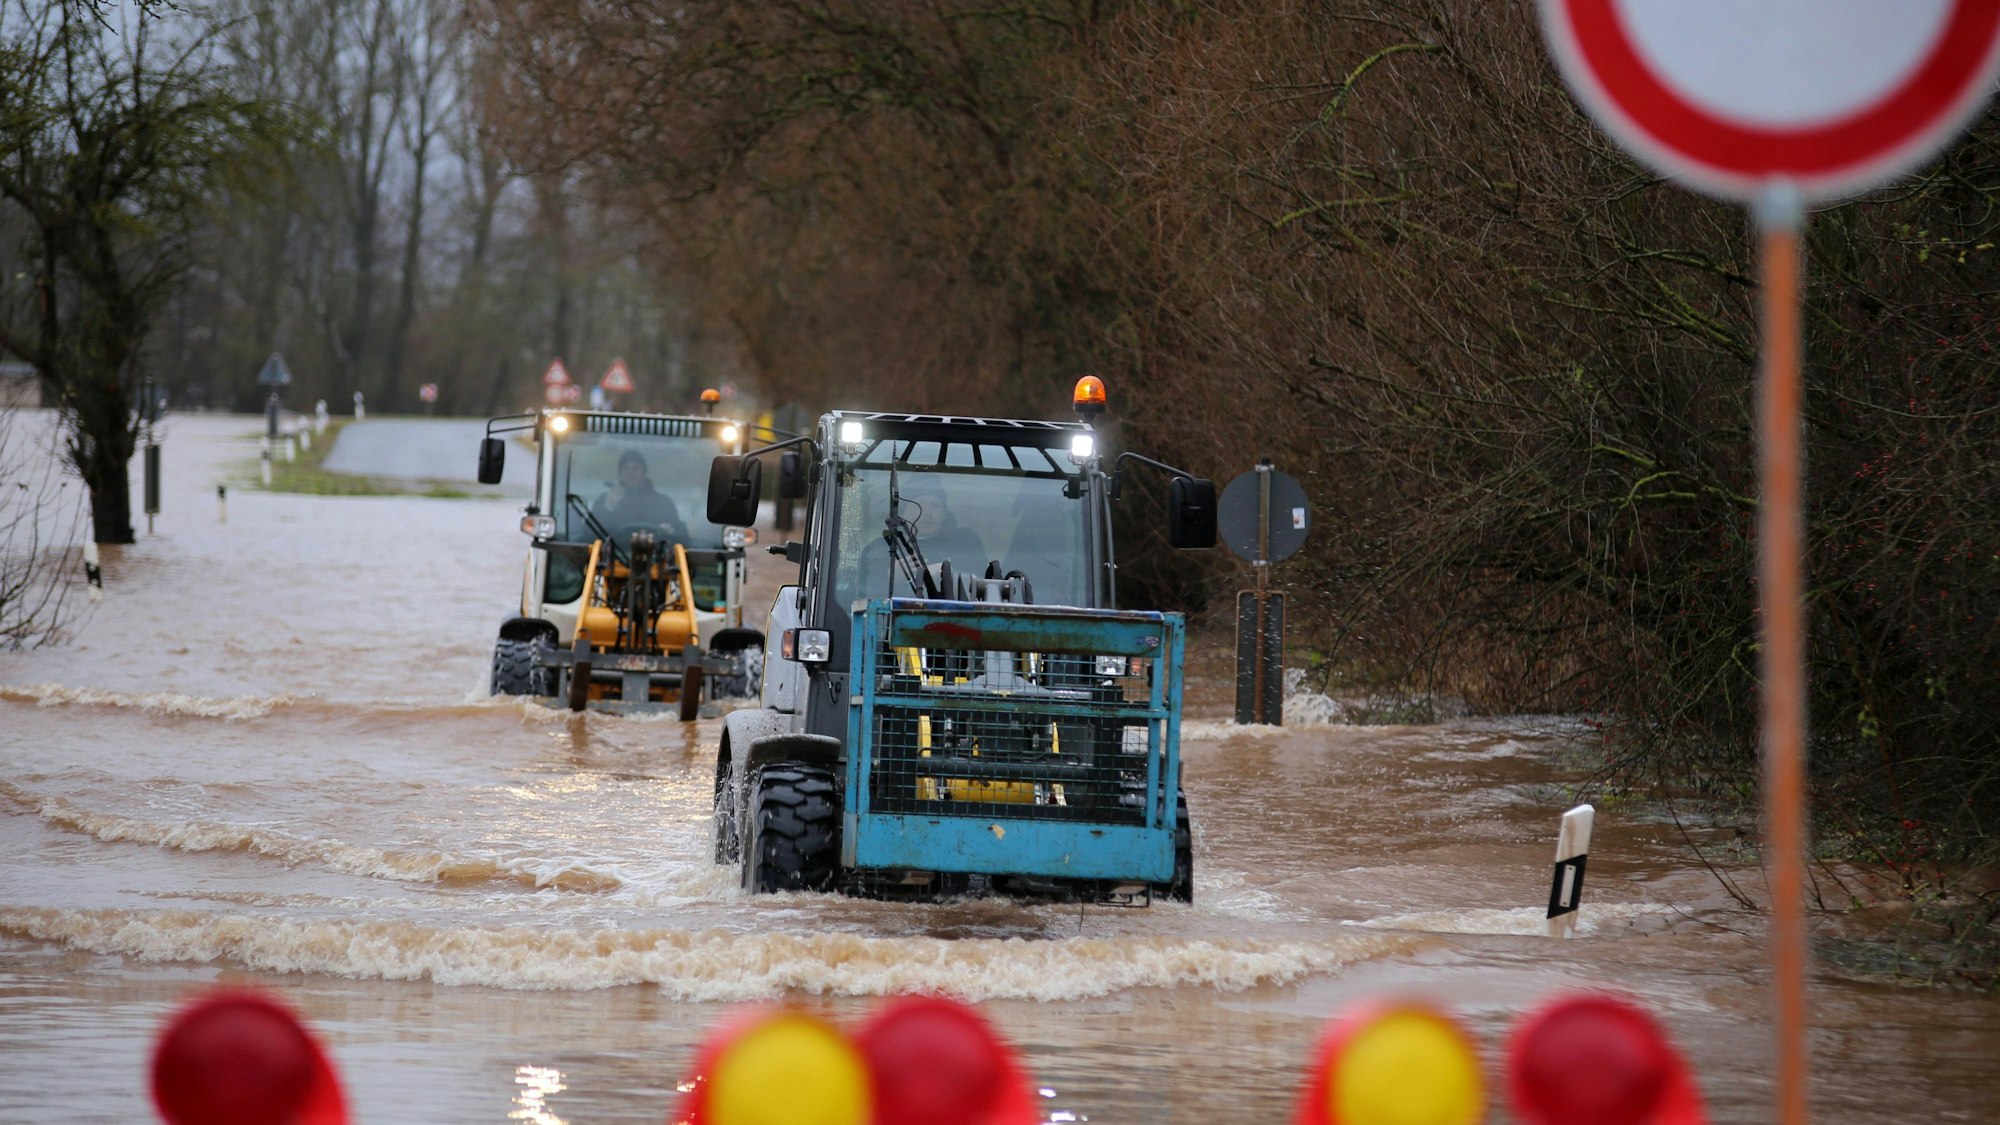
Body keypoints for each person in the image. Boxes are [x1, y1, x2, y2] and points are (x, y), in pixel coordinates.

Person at [593, 450, 685, 538]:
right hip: (613, 552)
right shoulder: (605, 500)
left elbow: (682, 539)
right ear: (620, 474)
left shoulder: (663, 502)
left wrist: (669, 531)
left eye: (635, 468)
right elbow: (589, 534)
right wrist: (608, 508)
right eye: (626, 469)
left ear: (644, 472)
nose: (631, 473)